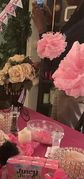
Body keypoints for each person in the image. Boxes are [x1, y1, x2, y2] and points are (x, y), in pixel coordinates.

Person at [32, 0, 84, 128]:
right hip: (69, 91)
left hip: (74, 93)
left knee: (66, 140)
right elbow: (64, 45)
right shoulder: (79, 11)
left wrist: (43, 30)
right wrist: (50, 25)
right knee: (57, 135)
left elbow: (61, 57)